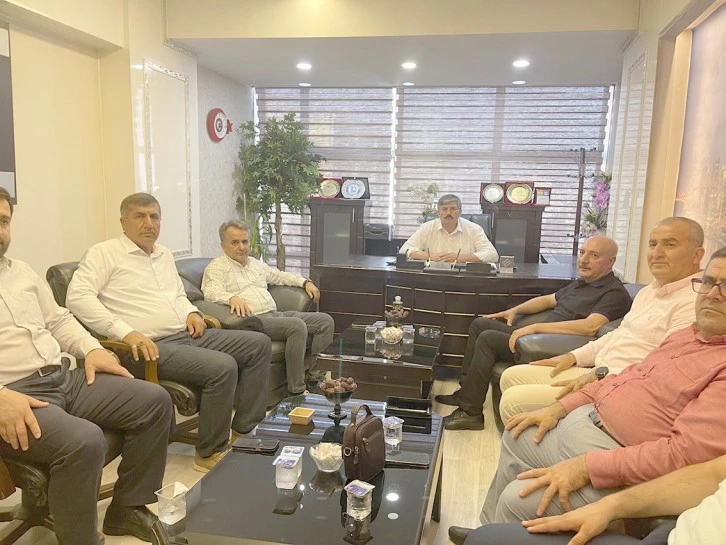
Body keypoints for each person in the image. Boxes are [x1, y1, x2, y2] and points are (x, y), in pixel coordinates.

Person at [447, 247, 726, 544]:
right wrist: (560, 407)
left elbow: (682, 456)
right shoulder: (687, 335)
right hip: (589, 421)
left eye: (725, 286)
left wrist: (587, 466)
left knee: (517, 498)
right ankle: (489, 531)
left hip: (614, 453)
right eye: (708, 282)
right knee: (518, 433)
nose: (713, 294)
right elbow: (629, 376)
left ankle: (500, 532)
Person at [0, 187, 173, 545]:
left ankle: (128, 509)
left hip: (62, 376)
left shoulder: (22, 272)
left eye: (3, 221)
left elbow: (59, 320)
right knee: (85, 440)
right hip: (14, 395)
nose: (0, 230)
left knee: (155, 400)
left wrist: (92, 349)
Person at [66, 192, 271, 473]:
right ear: (123, 222)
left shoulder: (163, 254)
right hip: (145, 347)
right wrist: (125, 332)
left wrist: (192, 313)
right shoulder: (103, 253)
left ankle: (244, 430)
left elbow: (177, 295)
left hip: (186, 335)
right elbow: (77, 298)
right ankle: (209, 452)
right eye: (140, 216)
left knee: (259, 344)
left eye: (154, 216)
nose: (149, 223)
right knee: (223, 366)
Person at [498, 217, 705, 422]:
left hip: (623, 386)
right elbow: (618, 334)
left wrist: (600, 375)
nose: (657, 253)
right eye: (652, 244)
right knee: (511, 376)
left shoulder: (696, 302)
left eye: (670, 244)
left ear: (697, 255)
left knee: (513, 400)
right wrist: (573, 356)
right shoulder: (649, 291)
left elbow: (663, 367)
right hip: (599, 371)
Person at [438, 236, 631, 431]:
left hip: (553, 348)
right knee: (480, 324)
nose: (584, 259)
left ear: (611, 262)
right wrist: (513, 311)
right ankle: (466, 392)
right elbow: (548, 300)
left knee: (488, 338)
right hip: (537, 338)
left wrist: (535, 328)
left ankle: (470, 413)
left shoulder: (614, 293)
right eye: (582, 253)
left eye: (594, 255)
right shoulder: (583, 283)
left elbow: (590, 327)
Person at [464, 453, 726, 545]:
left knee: (519, 498)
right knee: (486, 539)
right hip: (673, 536)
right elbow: (711, 474)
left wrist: (591, 466)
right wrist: (608, 507)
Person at [201, 220, 334, 395]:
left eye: (245, 241)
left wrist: (305, 282)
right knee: (296, 326)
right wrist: (231, 298)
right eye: (235, 242)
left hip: (276, 314)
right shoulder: (217, 267)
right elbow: (210, 292)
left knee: (325, 321)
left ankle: (312, 376)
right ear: (223, 245)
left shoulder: (255, 264)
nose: (242, 247)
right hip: (253, 321)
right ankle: (296, 390)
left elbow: (279, 276)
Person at [399, 193, 499, 263]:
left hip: (464, 277)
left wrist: (459, 258)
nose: (448, 213)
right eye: (444, 209)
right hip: (433, 276)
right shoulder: (427, 227)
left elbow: (492, 255)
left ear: (460, 212)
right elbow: (404, 250)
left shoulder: (474, 229)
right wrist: (430, 256)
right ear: (438, 213)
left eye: (453, 209)